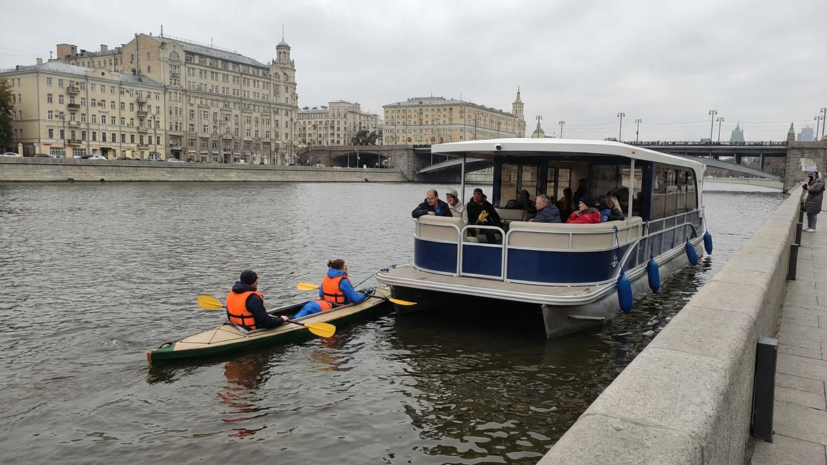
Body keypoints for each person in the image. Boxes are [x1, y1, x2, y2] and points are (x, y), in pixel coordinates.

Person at [293, 259, 373, 318]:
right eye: (345, 266)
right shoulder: (343, 281)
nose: (346, 268)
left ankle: (290, 318)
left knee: (298, 316)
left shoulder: (326, 277)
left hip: (317, 304)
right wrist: (365, 294)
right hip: (332, 307)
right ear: (341, 268)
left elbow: (321, 294)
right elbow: (356, 300)